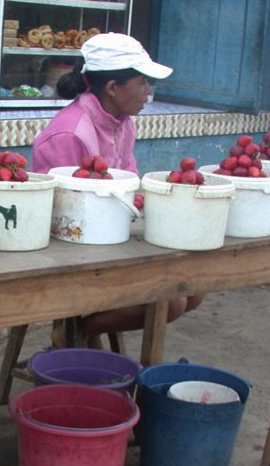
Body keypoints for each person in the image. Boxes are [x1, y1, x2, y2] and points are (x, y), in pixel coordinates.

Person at [32, 33, 204, 348]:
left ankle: (84, 331)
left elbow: (130, 179)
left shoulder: (123, 121)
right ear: (113, 88)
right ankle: (74, 333)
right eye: (142, 83)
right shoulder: (70, 133)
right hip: (72, 255)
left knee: (194, 289)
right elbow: (63, 217)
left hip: (113, 240)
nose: (148, 92)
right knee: (172, 302)